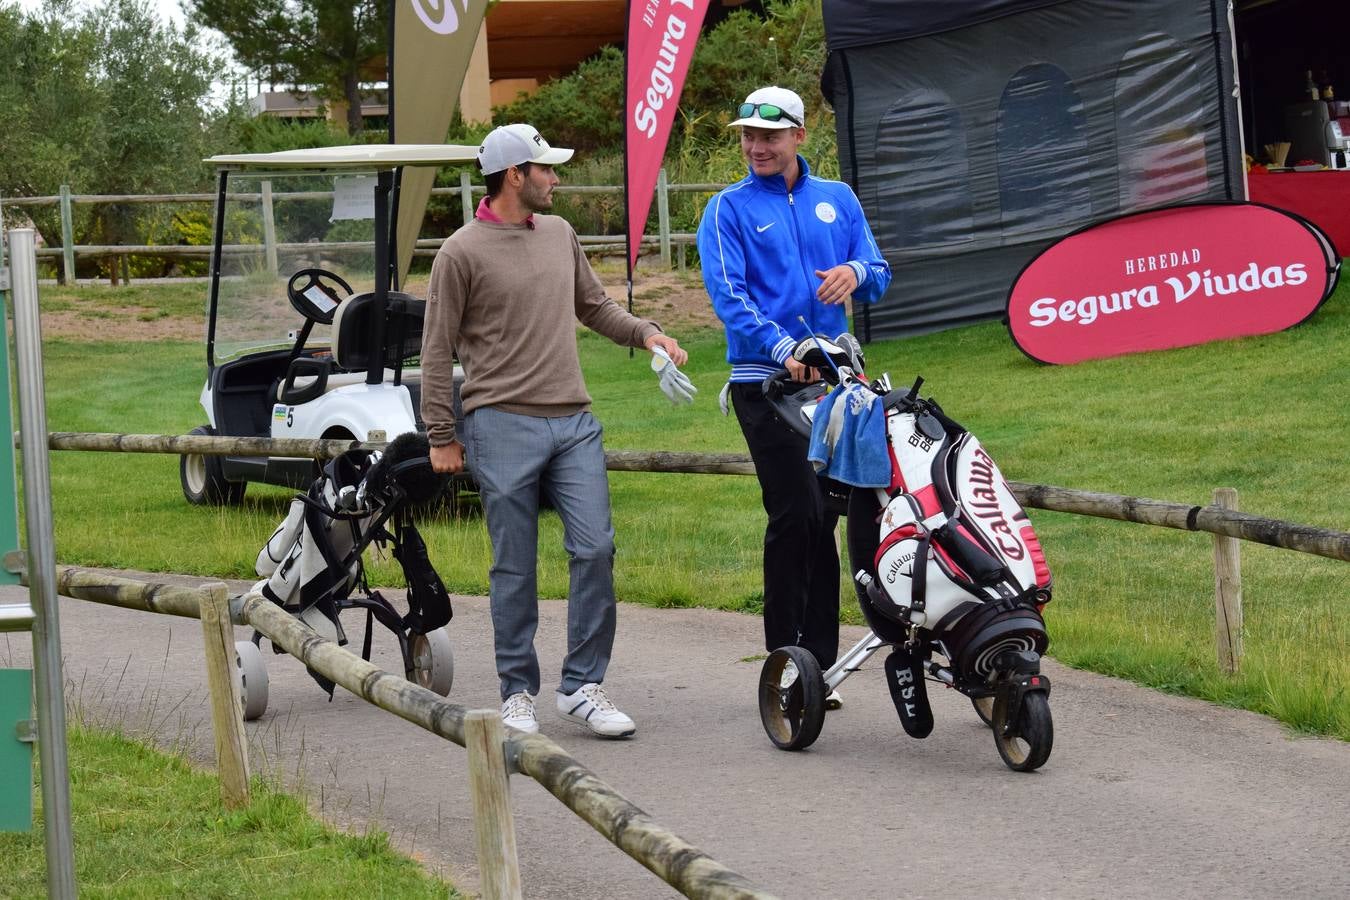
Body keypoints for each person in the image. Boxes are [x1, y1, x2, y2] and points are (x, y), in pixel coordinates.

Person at [420, 123, 694, 738]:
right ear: (515, 175)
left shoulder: (560, 235)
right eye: (545, 169)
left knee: (594, 547)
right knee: (514, 565)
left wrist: (647, 332)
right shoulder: (460, 252)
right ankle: (518, 691)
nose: (555, 178)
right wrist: (442, 433)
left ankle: (583, 687)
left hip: (573, 421)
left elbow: (593, 306)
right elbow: (436, 351)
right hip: (499, 422)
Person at [696, 86, 892, 701]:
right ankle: (785, 661)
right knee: (796, 514)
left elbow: (879, 272)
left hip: (836, 386)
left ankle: (819, 669)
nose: (756, 146)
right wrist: (788, 349)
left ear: (799, 137)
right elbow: (730, 297)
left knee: (827, 517)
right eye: (748, 136)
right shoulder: (726, 208)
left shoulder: (838, 198)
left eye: (769, 136)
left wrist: (854, 273)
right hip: (765, 384)